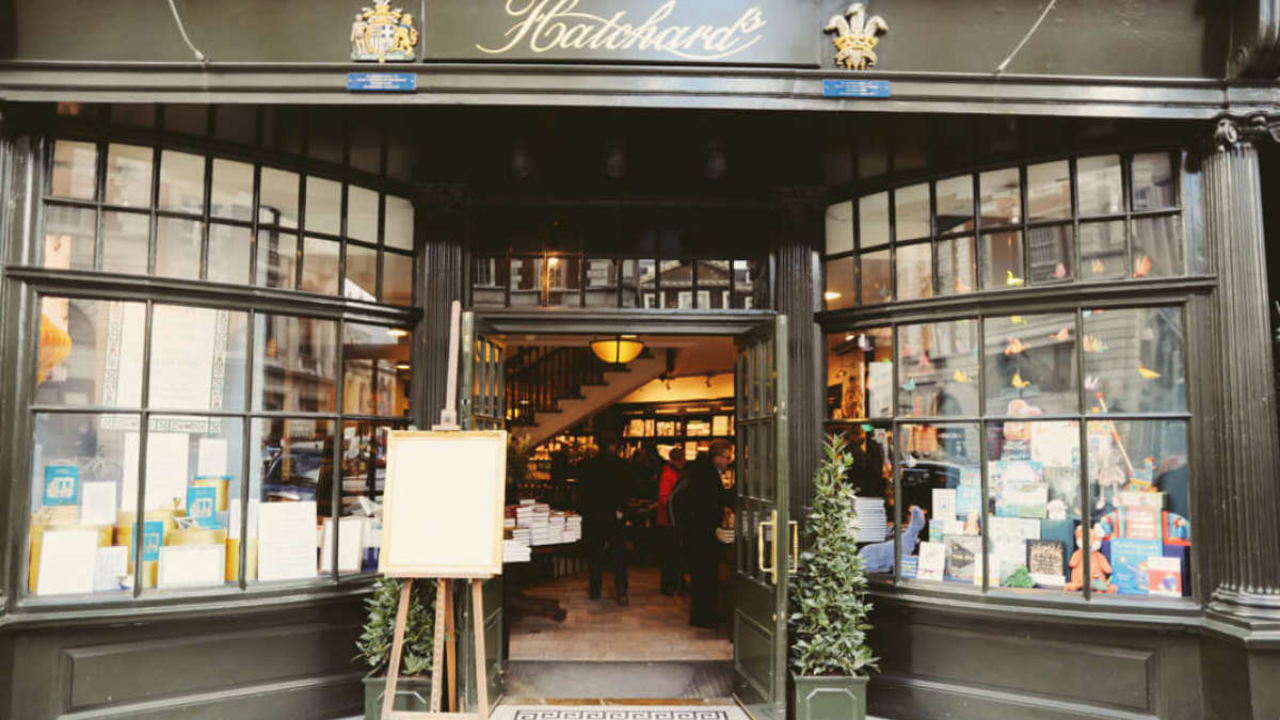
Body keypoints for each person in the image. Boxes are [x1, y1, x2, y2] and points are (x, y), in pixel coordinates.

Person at [578, 431, 630, 605]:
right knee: (618, 555)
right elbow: (625, 490)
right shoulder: (621, 465)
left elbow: (584, 493)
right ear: (613, 446)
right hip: (614, 515)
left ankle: (595, 590)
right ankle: (621, 591)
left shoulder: (587, 465)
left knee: (595, 554)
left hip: (594, 516)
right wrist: (621, 510)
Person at [686, 439, 733, 628]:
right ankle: (703, 617)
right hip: (704, 533)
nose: (729, 461)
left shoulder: (703, 471)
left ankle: (703, 615)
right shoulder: (707, 474)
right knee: (705, 575)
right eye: (726, 457)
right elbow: (710, 502)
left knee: (703, 575)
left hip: (701, 531)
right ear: (716, 457)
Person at [656, 447, 687, 596]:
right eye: (680, 459)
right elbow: (664, 499)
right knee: (669, 556)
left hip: (675, 520)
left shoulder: (678, 474)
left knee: (676, 555)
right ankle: (667, 584)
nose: (683, 462)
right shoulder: (667, 475)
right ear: (673, 460)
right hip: (667, 521)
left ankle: (676, 581)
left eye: (683, 458)